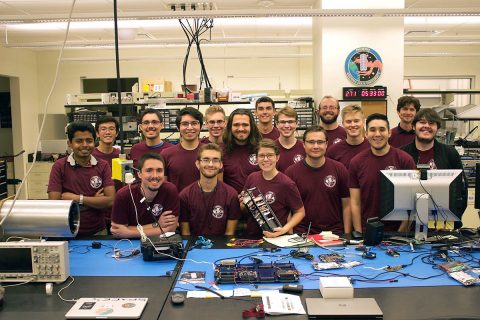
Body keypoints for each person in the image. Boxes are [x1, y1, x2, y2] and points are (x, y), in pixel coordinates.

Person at [349, 113, 416, 233]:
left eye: (382, 129)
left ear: (389, 133)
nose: (377, 134)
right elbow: (355, 202)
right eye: (372, 130)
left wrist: (400, 233)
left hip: (397, 232)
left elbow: (411, 201)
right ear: (366, 134)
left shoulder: (405, 160)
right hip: (367, 231)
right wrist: (359, 233)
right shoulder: (356, 162)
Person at [48, 121, 115, 236]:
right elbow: (55, 203)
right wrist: (94, 202)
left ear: (94, 142)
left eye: (89, 141)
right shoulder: (59, 166)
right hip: (67, 232)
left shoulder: (103, 165)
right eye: (79, 141)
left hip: (98, 232)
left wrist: (77, 198)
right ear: (69, 143)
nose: (85, 145)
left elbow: (110, 201)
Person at [400, 108, 468, 222]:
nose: (426, 126)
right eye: (422, 122)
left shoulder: (450, 154)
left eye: (431, 123)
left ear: (437, 128)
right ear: (413, 126)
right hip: (408, 224)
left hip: (443, 223)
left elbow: (461, 190)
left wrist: (452, 219)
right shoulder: (402, 154)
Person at [285, 126, 350, 235]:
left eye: (320, 142)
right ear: (303, 144)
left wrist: (347, 234)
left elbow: (347, 205)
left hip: (334, 234)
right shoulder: (291, 173)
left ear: (326, 144)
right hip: (302, 234)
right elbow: (288, 209)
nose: (316, 146)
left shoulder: (339, 169)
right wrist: (291, 236)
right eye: (311, 142)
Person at [242, 139, 305, 238]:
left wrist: (285, 229)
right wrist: (243, 202)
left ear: (277, 157)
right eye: (262, 155)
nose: (266, 159)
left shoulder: (287, 184)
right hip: (252, 237)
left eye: (270, 155)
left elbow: (300, 212)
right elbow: (244, 207)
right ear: (257, 158)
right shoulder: (252, 177)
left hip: (276, 237)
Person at [111, 153, 179, 238]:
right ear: (139, 174)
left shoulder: (170, 190)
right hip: (130, 244)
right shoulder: (123, 195)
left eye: (159, 170)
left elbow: (170, 230)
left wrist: (130, 233)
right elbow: (117, 231)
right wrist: (156, 224)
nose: (155, 175)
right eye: (149, 170)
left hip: (161, 242)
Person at [179, 144, 241, 236]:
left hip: (221, 248)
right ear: (197, 164)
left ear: (221, 165)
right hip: (194, 248)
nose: (210, 164)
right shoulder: (185, 195)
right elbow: (185, 234)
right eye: (206, 160)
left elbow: (229, 234)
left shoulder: (231, 194)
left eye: (215, 160)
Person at [161, 107, 203, 192]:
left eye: (194, 123)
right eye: (185, 124)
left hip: (205, 204)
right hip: (176, 204)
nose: (190, 127)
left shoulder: (210, 152)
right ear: (178, 127)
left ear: (200, 126)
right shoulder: (166, 154)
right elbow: (163, 187)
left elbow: (218, 185)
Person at [92, 116, 121, 233]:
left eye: (111, 129)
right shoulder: (90, 156)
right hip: (97, 211)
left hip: (118, 209)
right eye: (103, 129)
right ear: (97, 134)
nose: (108, 132)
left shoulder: (122, 156)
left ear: (117, 133)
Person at [222, 108, 262, 193]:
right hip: (230, 203)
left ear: (252, 126)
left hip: (256, 202)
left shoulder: (261, 150)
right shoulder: (221, 151)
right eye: (236, 125)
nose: (241, 128)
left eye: (245, 125)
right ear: (230, 127)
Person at [326, 104, 369, 169]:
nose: (353, 125)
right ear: (343, 124)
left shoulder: (372, 148)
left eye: (356, 121)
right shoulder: (333, 151)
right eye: (348, 121)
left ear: (363, 122)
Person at [274, 106, 305, 172]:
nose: (287, 126)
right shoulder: (271, 148)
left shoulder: (305, 148)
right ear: (277, 124)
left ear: (297, 123)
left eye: (290, 122)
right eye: (282, 122)